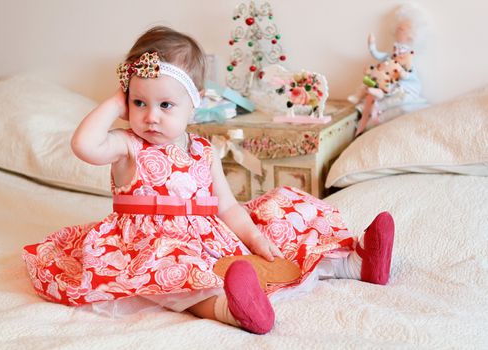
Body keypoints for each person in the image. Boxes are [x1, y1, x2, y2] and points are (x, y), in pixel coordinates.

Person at [22, 26, 395, 335]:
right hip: (153, 245)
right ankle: (230, 309)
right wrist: (114, 104)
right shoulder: (127, 145)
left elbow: (228, 207)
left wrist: (254, 237)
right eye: (139, 103)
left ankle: (351, 262)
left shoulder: (204, 151)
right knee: (179, 276)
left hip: (212, 237)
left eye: (166, 105)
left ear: (194, 102)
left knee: (281, 216)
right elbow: (83, 145)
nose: (151, 117)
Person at [350, 2, 429, 135]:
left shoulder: (408, 55)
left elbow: (410, 71)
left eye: (402, 29)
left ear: (411, 35)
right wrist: (372, 46)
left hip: (402, 83)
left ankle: (377, 105)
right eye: (398, 28)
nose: (398, 31)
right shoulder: (391, 54)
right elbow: (379, 55)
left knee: (393, 95)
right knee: (371, 83)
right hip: (388, 79)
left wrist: (404, 75)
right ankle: (360, 100)